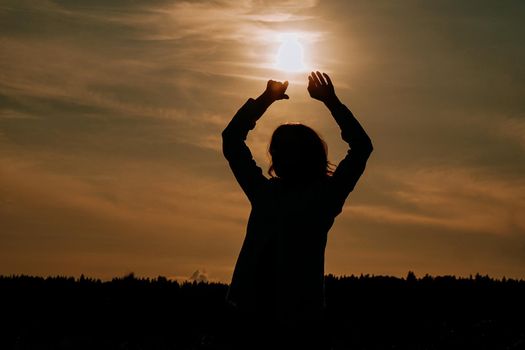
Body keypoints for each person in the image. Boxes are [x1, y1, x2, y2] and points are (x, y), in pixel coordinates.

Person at [222, 71, 373, 349]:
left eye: (282, 150)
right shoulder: (319, 197)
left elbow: (232, 140)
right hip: (283, 318)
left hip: (269, 320)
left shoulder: (274, 194)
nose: (276, 155)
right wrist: (330, 102)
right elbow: (362, 148)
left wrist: (266, 101)